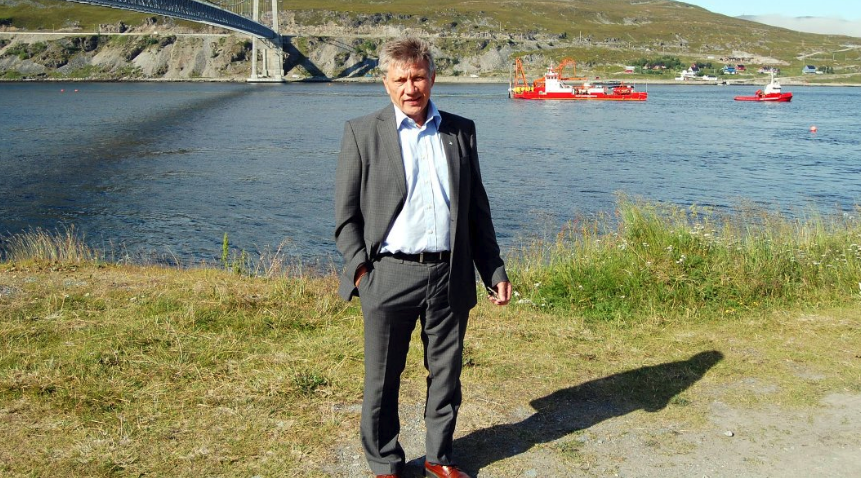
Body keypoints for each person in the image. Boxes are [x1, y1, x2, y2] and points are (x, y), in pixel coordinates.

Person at [334, 37, 512, 478]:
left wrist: (493, 269)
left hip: (450, 272)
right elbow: (346, 217)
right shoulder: (362, 132)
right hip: (388, 275)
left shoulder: (460, 130)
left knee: (446, 373)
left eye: (417, 77)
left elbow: (477, 211)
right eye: (400, 79)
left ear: (432, 78)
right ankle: (384, 461)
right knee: (382, 377)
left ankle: (439, 457)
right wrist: (362, 273)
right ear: (386, 83)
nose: (410, 87)